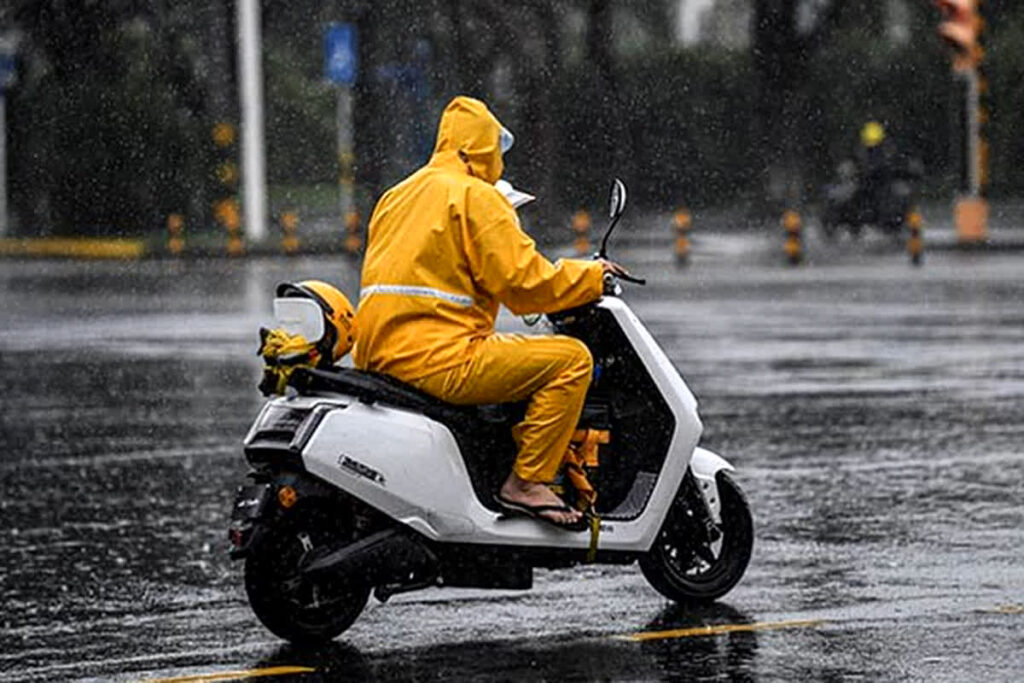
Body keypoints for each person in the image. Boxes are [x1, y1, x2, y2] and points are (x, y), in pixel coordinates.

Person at [354, 96, 626, 529]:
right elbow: (524, 285)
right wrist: (590, 277)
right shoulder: (475, 196)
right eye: (497, 150)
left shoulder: (397, 195)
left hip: (378, 357)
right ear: (482, 149)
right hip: (439, 358)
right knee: (572, 361)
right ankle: (527, 482)